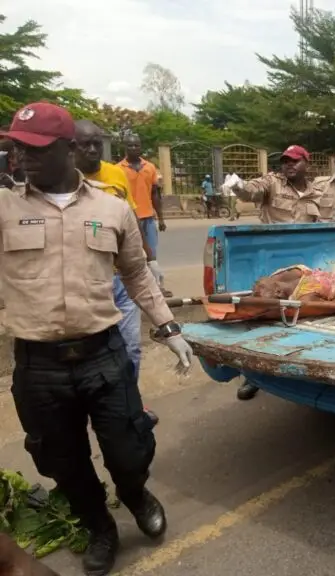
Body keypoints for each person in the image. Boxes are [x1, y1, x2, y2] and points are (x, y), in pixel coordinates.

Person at [0, 102, 194, 576]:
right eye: (17, 148)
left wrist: (168, 327)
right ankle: (100, 527)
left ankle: (134, 493)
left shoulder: (112, 208)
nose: (22, 157)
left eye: (35, 148)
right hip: (38, 366)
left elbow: (137, 275)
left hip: (102, 355)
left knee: (129, 448)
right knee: (61, 461)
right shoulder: (4, 208)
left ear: (68, 149)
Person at [73, 119, 161, 428]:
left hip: (121, 278)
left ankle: (129, 403)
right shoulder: (61, 181)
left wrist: (148, 257)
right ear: (70, 147)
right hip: (87, 283)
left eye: (97, 143)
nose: (92, 149)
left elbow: (130, 217)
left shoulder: (115, 174)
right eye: (85, 144)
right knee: (94, 353)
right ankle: (95, 409)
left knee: (131, 346)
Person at [230, 144, 326, 400]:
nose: (289, 165)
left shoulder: (317, 191)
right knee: (263, 320)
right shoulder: (272, 183)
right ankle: (253, 376)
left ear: (306, 163)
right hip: (272, 263)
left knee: (302, 318)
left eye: (295, 161)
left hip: (302, 264)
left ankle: (303, 366)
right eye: (285, 161)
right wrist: (238, 186)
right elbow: (250, 191)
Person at [117, 135, 171, 297]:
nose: (133, 148)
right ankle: (130, 289)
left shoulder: (150, 167)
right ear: (125, 148)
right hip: (128, 219)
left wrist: (161, 218)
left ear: (141, 147)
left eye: (136, 145)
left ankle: (157, 286)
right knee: (130, 255)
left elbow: (155, 194)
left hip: (147, 218)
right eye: (130, 145)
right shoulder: (118, 169)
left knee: (151, 254)